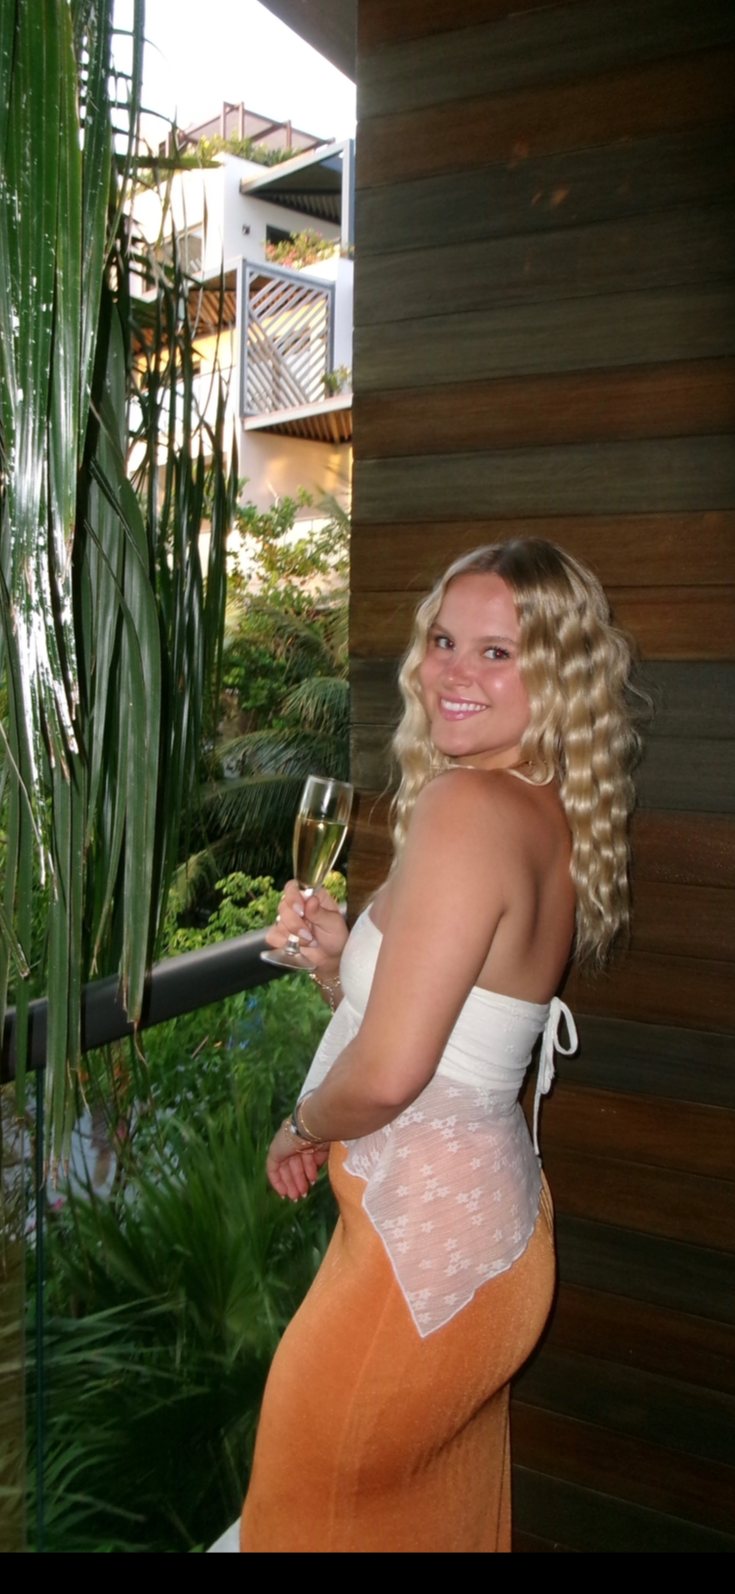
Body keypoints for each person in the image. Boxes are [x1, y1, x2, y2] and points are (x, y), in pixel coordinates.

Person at [240, 539, 638, 1554]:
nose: (453, 670)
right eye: (444, 640)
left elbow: (393, 1071)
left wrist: (298, 1124)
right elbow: (461, 1035)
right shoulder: (546, 811)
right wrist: (342, 967)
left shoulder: (466, 808)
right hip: (491, 1252)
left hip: (414, 1272)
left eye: (497, 652)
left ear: (559, 674)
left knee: (301, 1522)